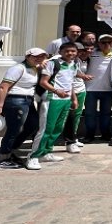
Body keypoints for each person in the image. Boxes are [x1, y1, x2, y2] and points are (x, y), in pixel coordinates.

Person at [0, 48, 48, 169]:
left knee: (33, 126)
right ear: (27, 56)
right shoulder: (18, 68)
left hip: (28, 100)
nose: (39, 58)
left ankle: (8, 150)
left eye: (42, 56)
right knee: (13, 130)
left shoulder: (34, 68)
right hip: (16, 100)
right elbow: (2, 87)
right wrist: (0, 106)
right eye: (35, 56)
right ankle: (2, 159)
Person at [27, 42, 80, 170]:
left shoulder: (73, 65)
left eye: (73, 51)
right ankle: (33, 156)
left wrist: (74, 98)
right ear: (60, 52)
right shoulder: (53, 63)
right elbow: (43, 82)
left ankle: (46, 152)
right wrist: (57, 91)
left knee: (58, 128)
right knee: (46, 129)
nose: (70, 53)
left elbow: (70, 83)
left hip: (65, 100)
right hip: (52, 99)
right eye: (67, 51)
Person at [83, 34, 112, 143]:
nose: (106, 44)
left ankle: (105, 134)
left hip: (108, 90)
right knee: (89, 114)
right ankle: (89, 134)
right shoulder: (90, 54)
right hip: (90, 89)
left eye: (109, 42)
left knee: (106, 114)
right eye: (103, 42)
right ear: (98, 44)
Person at [63, 43, 93, 154]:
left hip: (80, 90)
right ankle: (68, 140)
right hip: (67, 93)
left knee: (76, 116)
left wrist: (83, 77)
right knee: (67, 117)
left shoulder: (80, 62)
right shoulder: (62, 61)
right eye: (79, 50)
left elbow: (76, 73)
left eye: (82, 50)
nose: (81, 52)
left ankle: (73, 138)